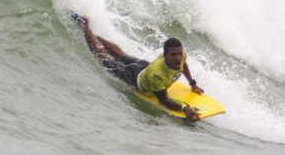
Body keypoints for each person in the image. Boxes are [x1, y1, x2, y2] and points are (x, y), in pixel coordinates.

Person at [73, 14, 203, 121]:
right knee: (104, 59)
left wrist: (192, 83)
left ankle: (96, 37)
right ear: (165, 55)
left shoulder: (181, 57)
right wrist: (184, 109)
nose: (178, 58)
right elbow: (164, 100)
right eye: (173, 55)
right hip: (133, 76)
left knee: (121, 55)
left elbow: (183, 65)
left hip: (145, 67)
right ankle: (85, 29)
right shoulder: (156, 75)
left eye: (180, 54)